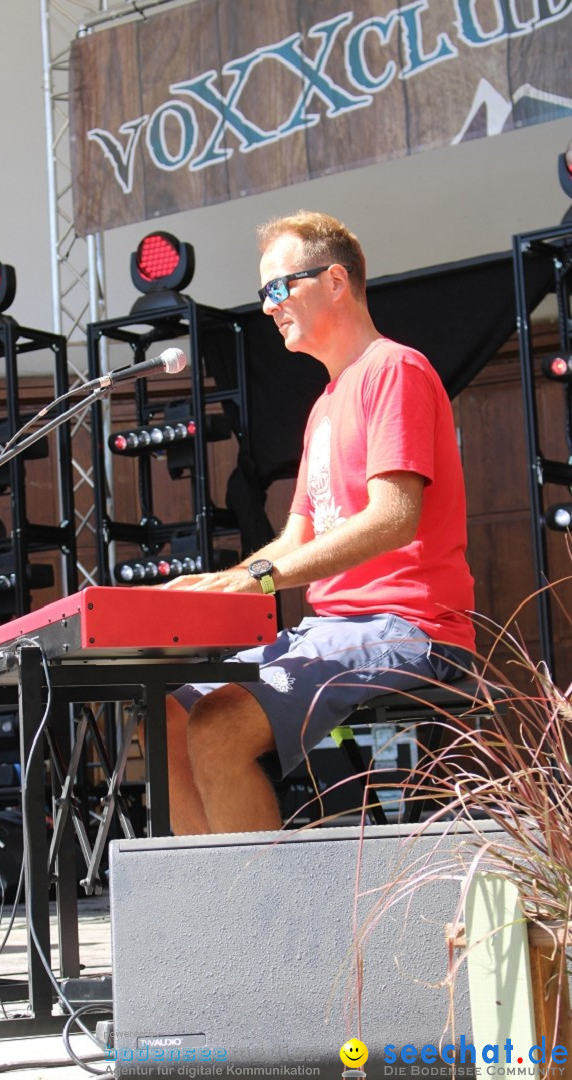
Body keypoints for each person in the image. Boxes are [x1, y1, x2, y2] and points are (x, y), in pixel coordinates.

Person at [163, 210, 476, 835]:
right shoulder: (326, 404)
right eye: (263, 294)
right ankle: (210, 919)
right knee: (170, 712)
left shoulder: (395, 369)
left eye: (279, 288)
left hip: (408, 628)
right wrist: (220, 583)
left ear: (335, 280)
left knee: (220, 725)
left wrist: (256, 577)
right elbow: (298, 538)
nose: (269, 306)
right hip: (336, 630)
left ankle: (260, 926)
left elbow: (393, 518)